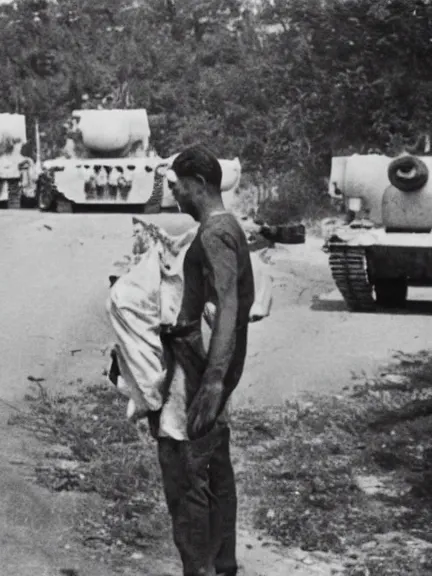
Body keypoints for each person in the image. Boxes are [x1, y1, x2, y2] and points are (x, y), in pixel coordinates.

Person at [159, 144, 255, 576]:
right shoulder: (224, 227)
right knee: (215, 466)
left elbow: (228, 306)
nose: (176, 196)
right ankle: (223, 565)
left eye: (179, 187)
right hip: (209, 362)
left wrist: (213, 381)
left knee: (184, 468)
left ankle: (201, 568)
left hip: (205, 368)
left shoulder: (216, 232)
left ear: (198, 184)